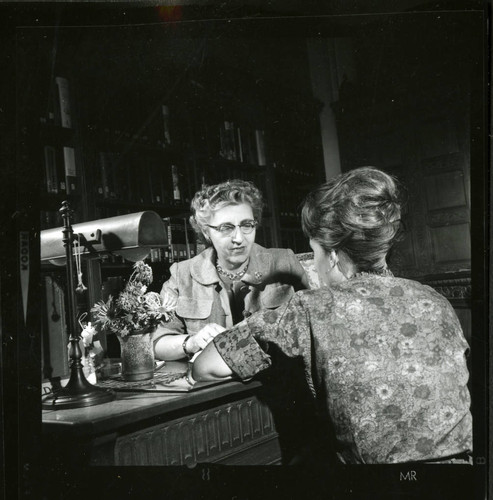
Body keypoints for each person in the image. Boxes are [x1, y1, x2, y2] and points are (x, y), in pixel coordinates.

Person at [193, 167, 472, 464]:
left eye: (314, 252)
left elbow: (206, 366)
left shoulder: (312, 307)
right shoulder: (435, 299)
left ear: (334, 255)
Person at [153, 179, 308, 361]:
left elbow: (316, 328)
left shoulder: (284, 262)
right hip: (215, 385)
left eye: (247, 225)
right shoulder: (182, 274)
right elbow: (157, 344)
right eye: (226, 228)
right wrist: (192, 342)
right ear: (205, 232)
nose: (239, 238)